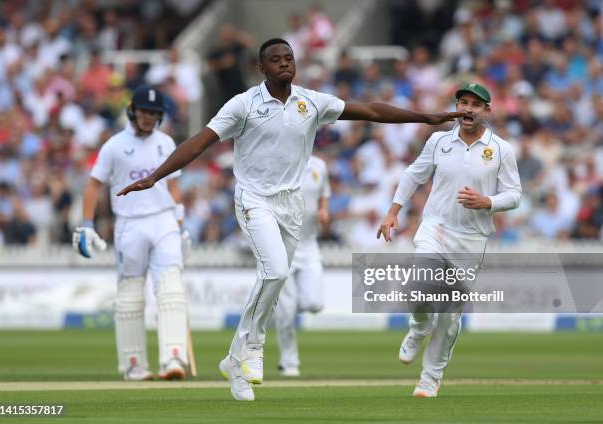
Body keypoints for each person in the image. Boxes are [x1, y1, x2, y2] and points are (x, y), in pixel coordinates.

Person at [117, 38, 464, 401]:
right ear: (261, 68)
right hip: (254, 199)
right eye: (275, 60)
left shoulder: (310, 102)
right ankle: (254, 348)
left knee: (273, 279)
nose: (284, 63)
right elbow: (199, 141)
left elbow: (371, 111)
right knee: (277, 272)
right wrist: (155, 175)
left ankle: (235, 360)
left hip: (292, 204)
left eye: (289, 58)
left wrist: (425, 117)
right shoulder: (243, 105)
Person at [377, 83, 522, 397]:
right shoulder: (438, 140)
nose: (467, 109)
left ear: (487, 111)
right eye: (463, 102)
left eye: (475, 104)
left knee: (450, 314)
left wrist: (489, 202)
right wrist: (393, 212)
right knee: (417, 289)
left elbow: (515, 195)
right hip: (435, 227)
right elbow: (413, 174)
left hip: (471, 240)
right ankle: (418, 329)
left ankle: (430, 379)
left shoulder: (501, 150)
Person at [72, 85, 193, 381]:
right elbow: (93, 185)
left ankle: (174, 358)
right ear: (133, 111)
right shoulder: (114, 145)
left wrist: (180, 223)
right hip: (129, 223)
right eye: (144, 112)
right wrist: (87, 224)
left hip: (164, 220)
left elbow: (173, 187)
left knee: (171, 289)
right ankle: (134, 365)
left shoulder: (165, 142)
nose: (149, 118)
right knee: (130, 295)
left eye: (154, 113)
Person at [275, 155, 330, 377]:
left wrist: (324, 210)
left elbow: (324, 194)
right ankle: (289, 362)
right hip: (282, 244)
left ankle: (278, 306)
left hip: (309, 244)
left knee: (314, 303)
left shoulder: (319, 165)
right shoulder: (280, 161)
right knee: (287, 311)